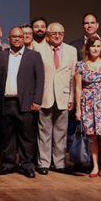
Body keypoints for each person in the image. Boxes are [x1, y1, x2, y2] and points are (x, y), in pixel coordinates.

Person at [0, 27, 44, 178]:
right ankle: (8, 164)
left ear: (24, 38)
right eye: (13, 37)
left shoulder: (34, 56)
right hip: (6, 101)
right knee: (7, 135)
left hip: (26, 103)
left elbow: (40, 80)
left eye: (19, 37)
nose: (16, 39)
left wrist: (37, 100)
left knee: (26, 136)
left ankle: (27, 164)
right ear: (9, 39)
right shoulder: (1, 56)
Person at [74, 35, 101, 180]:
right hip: (88, 103)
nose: (95, 48)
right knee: (92, 137)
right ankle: (95, 166)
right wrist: (78, 109)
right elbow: (78, 88)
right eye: (93, 46)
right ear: (87, 48)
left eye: (98, 46)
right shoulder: (80, 65)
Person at [35, 23, 77, 174]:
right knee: (44, 132)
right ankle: (44, 163)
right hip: (45, 97)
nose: (58, 36)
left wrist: (71, 97)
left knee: (61, 133)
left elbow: (73, 77)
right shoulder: (38, 49)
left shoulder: (72, 51)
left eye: (60, 33)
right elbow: (36, 76)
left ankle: (59, 163)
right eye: (54, 33)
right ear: (48, 34)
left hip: (64, 97)